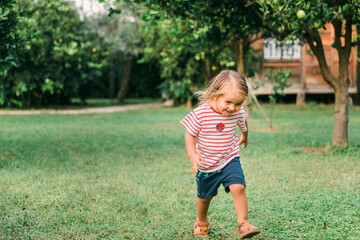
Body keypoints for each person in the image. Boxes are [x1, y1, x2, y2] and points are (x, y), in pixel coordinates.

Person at [180, 70, 260, 239]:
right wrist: (193, 155)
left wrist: (245, 134)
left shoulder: (237, 111)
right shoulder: (201, 113)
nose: (233, 108)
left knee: (239, 187)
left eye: (238, 103)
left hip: (229, 158)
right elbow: (189, 134)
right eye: (228, 102)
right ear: (215, 94)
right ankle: (201, 221)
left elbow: (242, 120)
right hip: (206, 164)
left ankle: (243, 224)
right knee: (204, 197)